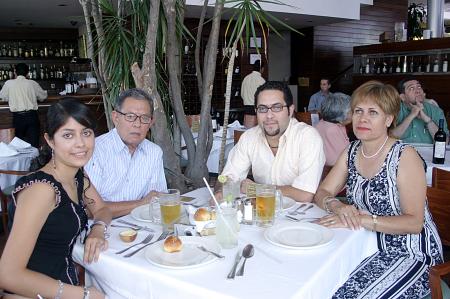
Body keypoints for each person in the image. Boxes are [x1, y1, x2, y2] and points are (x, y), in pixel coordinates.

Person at [314, 81, 443, 298]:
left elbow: (414, 223)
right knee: (320, 283)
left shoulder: (404, 156)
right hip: (363, 243)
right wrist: (336, 205)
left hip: (411, 252)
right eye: (358, 111)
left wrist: (362, 220)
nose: (363, 119)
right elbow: (322, 192)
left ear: (389, 119)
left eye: (373, 112)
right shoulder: (352, 150)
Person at [0, 98, 111, 299]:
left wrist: (98, 229)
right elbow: (8, 275)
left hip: (62, 286)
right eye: (68, 135)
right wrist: (84, 294)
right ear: (50, 140)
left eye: (86, 133)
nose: (80, 143)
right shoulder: (42, 189)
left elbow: (102, 209)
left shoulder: (78, 176)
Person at [219, 81, 325, 202]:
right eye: (262, 108)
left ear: (290, 111)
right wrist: (220, 190)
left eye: (277, 107)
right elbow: (228, 178)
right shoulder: (249, 137)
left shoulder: (307, 137)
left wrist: (258, 189)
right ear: (256, 112)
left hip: (301, 217)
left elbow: (305, 195)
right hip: (261, 215)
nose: (269, 116)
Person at [84, 88, 167, 218]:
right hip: (100, 229)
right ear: (115, 117)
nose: (137, 124)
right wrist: (141, 203)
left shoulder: (154, 152)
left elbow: (157, 199)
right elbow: (89, 209)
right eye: (130, 117)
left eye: (144, 118)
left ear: (151, 122)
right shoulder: (95, 150)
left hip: (141, 226)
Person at [0, 63, 47, 148]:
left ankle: (22, 161)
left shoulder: (9, 83)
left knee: (19, 145)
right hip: (32, 116)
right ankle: (34, 161)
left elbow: (2, 97)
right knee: (34, 144)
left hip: (18, 117)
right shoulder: (32, 83)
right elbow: (43, 97)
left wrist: (12, 97)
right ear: (28, 73)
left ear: (15, 72)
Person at [391, 77, 448, 144]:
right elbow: (389, 138)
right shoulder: (394, 109)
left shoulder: (436, 111)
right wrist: (411, 116)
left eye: (419, 87)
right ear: (402, 97)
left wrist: (428, 120)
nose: (418, 91)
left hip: (429, 153)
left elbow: (445, 142)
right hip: (402, 152)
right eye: (411, 88)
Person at [315, 92, 351, 166]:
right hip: (334, 172)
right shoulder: (332, 130)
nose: (354, 113)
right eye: (351, 111)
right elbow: (344, 160)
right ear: (341, 117)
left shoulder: (322, 123)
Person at [241, 60, 265, 128]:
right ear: (262, 68)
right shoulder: (261, 80)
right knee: (257, 132)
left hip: (246, 108)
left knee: (247, 131)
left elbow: (242, 94)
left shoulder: (246, 78)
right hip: (257, 108)